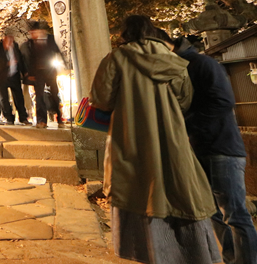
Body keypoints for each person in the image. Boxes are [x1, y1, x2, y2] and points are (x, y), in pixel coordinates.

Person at [90, 15, 220, 264]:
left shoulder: (116, 58)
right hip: (171, 134)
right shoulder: (173, 60)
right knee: (179, 183)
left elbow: (101, 98)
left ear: (125, 33)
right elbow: (184, 100)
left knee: (137, 188)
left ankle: (147, 252)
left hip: (131, 135)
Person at [171, 34, 257, 264]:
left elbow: (223, 101)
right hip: (203, 148)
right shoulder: (182, 67)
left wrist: (186, 125)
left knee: (236, 215)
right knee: (215, 214)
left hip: (223, 148)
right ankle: (232, 259)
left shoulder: (202, 63)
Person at [21, 21, 65, 128]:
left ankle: (59, 118)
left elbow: (57, 52)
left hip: (50, 71)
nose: (32, 35)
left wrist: (64, 64)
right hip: (37, 73)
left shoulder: (49, 39)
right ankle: (42, 120)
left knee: (54, 95)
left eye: (33, 32)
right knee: (39, 97)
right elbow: (28, 59)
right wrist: (29, 74)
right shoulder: (30, 43)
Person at [0, 29, 29, 125]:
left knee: (19, 97)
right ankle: (9, 118)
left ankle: (23, 117)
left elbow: (20, 59)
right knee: (4, 98)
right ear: (4, 39)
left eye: (11, 39)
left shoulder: (15, 47)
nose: (10, 41)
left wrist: (24, 71)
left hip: (14, 75)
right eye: (7, 39)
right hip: (2, 76)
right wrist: (6, 49)